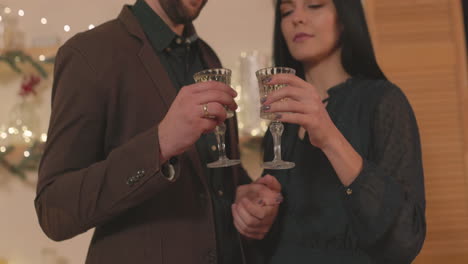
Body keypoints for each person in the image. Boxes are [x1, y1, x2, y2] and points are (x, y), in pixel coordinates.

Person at [34, 0, 282, 263]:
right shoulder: (89, 53)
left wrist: (244, 194)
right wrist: (160, 144)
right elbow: (54, 211)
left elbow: (213, 180)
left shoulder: (206, 56)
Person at [232, 0, 426, 263]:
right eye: (287, 11)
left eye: (314, 5)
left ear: (345, 18)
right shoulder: (281, 124)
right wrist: (258, 214)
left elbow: (405, 239)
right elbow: (277, 238)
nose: (296, 18)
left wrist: (329, 136)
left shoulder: (383, 101)